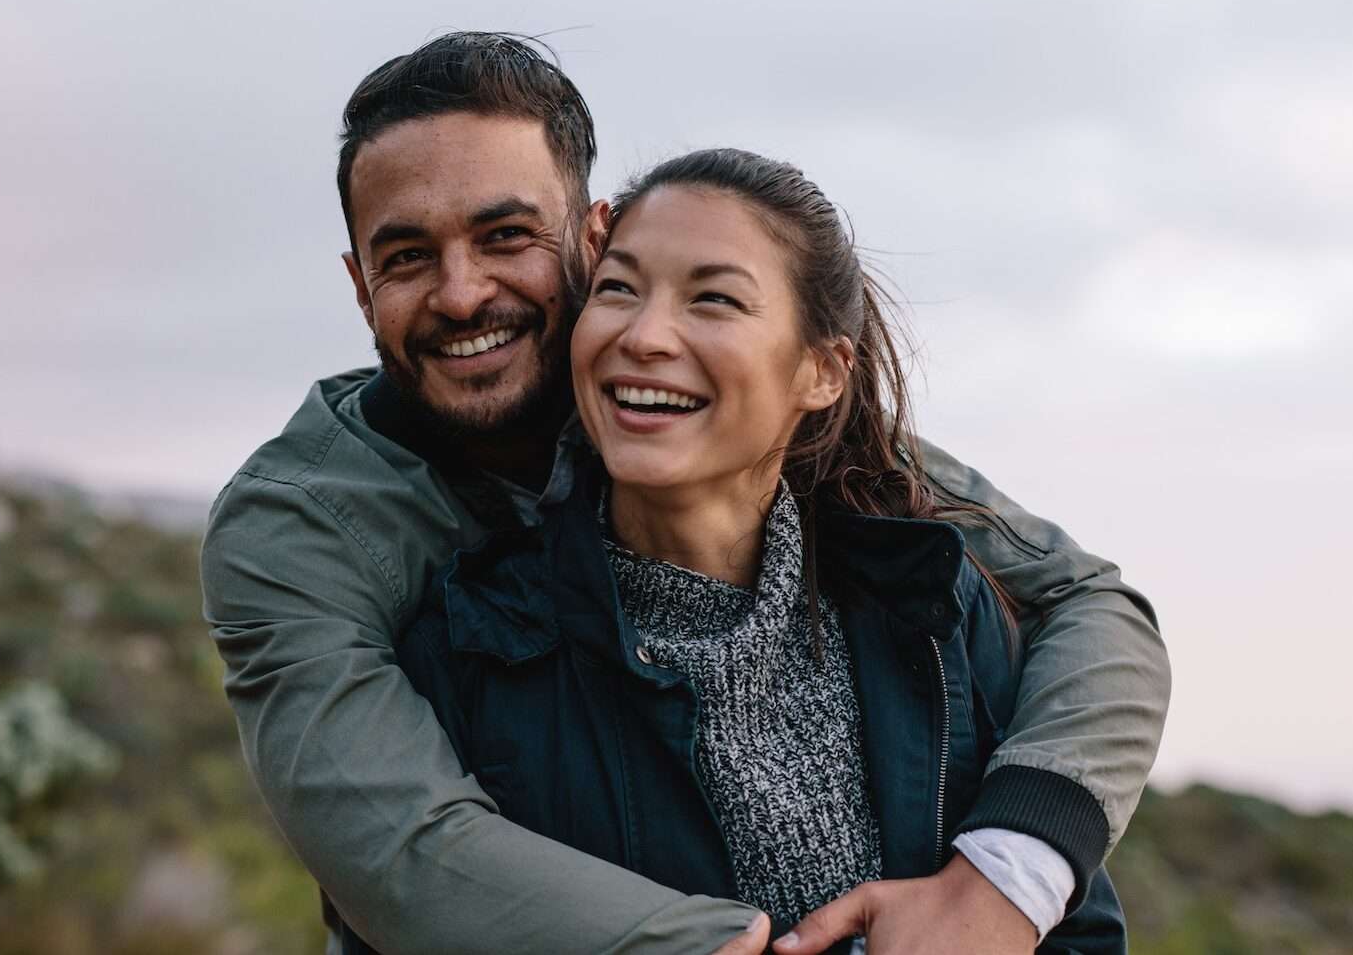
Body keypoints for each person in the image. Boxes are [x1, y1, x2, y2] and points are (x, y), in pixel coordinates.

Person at [200, 33, 1170, 954]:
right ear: (359, 283)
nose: (460, 293)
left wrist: (1004, 877)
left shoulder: (719, 420)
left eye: (506, 235)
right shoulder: (302, 527)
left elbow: (1086, 600)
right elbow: (405, 855)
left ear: (592, 237)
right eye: (407, 256)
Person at [361, 147, 1128, 955]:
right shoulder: (467, 651)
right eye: (618, 288)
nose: (644, 335)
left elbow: (1080, 934)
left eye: (714, 299)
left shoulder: (934, 606)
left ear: (821, 372)